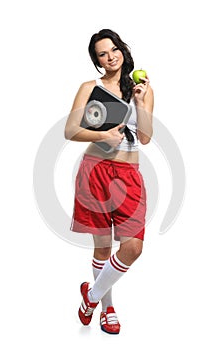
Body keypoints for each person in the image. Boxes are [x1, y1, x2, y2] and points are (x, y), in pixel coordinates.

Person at [65, 29, 154, 334]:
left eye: (113, 49)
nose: (110, 56)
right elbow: (70, 130)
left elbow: (144, 137)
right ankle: (108, 308)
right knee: (102, 248)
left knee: (133, 247)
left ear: (122, 50)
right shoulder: (90, 87)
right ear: (97, 60)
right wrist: (103, 134)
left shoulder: (141, 88)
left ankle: (91, 296)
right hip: (96, 170)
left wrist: (141, 104)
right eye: (102, 53)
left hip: (129, 176)